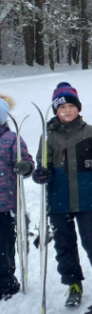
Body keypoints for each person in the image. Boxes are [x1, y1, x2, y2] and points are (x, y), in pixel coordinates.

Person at [32, 83, 92, 308]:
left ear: (78, 108)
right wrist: (40, 175)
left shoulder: (91, 132)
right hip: (58, 201)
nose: (67, 110)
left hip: (86, 200)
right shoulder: (47, 135)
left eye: (71, 106)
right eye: (62, 107)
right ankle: (73, 284)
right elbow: (40, 166)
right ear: (56, 110)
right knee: (64, 245)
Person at [0, 95, 34, 300]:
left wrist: (25, 167)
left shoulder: (12, 139)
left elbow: (27, 161)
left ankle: (6, 283)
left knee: (3, 247)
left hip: (5, 204)